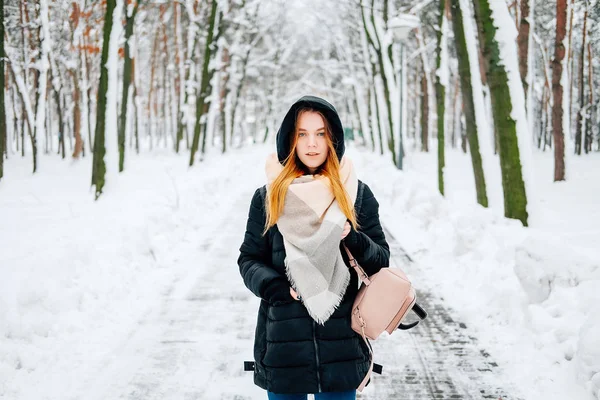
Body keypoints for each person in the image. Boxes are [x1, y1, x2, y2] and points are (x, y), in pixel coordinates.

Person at [238, 95, 390, 400]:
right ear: (289, 140)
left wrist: (351, 237)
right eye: (302, 134)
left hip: (342, 344)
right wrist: (277, 289)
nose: (312, 144)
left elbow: (380, 262)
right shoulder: (268, 197)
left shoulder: (355, 195)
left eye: (320, 134)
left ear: (332, 138)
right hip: (283, 341)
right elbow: (249, 259)